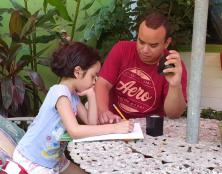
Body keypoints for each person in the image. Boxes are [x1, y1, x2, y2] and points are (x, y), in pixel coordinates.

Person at [13, 42, 134, 174]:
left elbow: (91, 123)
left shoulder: (72, 95)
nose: (95, 81)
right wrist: (115, 128)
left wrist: (92, 94)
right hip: (33, 160)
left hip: (53, 158)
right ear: (78, 72)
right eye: (93, 76)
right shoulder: (60, 93)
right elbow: (74, 131)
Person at [95, 11, 187, 124]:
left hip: (150, 127)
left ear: (166, 43)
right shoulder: (122, 49)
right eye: (141, 42)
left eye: (153, 45)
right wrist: (103, 111)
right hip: (115, 121)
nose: (145, 50)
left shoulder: (172, 65)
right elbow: (102, 83)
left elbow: (174, 114)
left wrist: (174, 85)